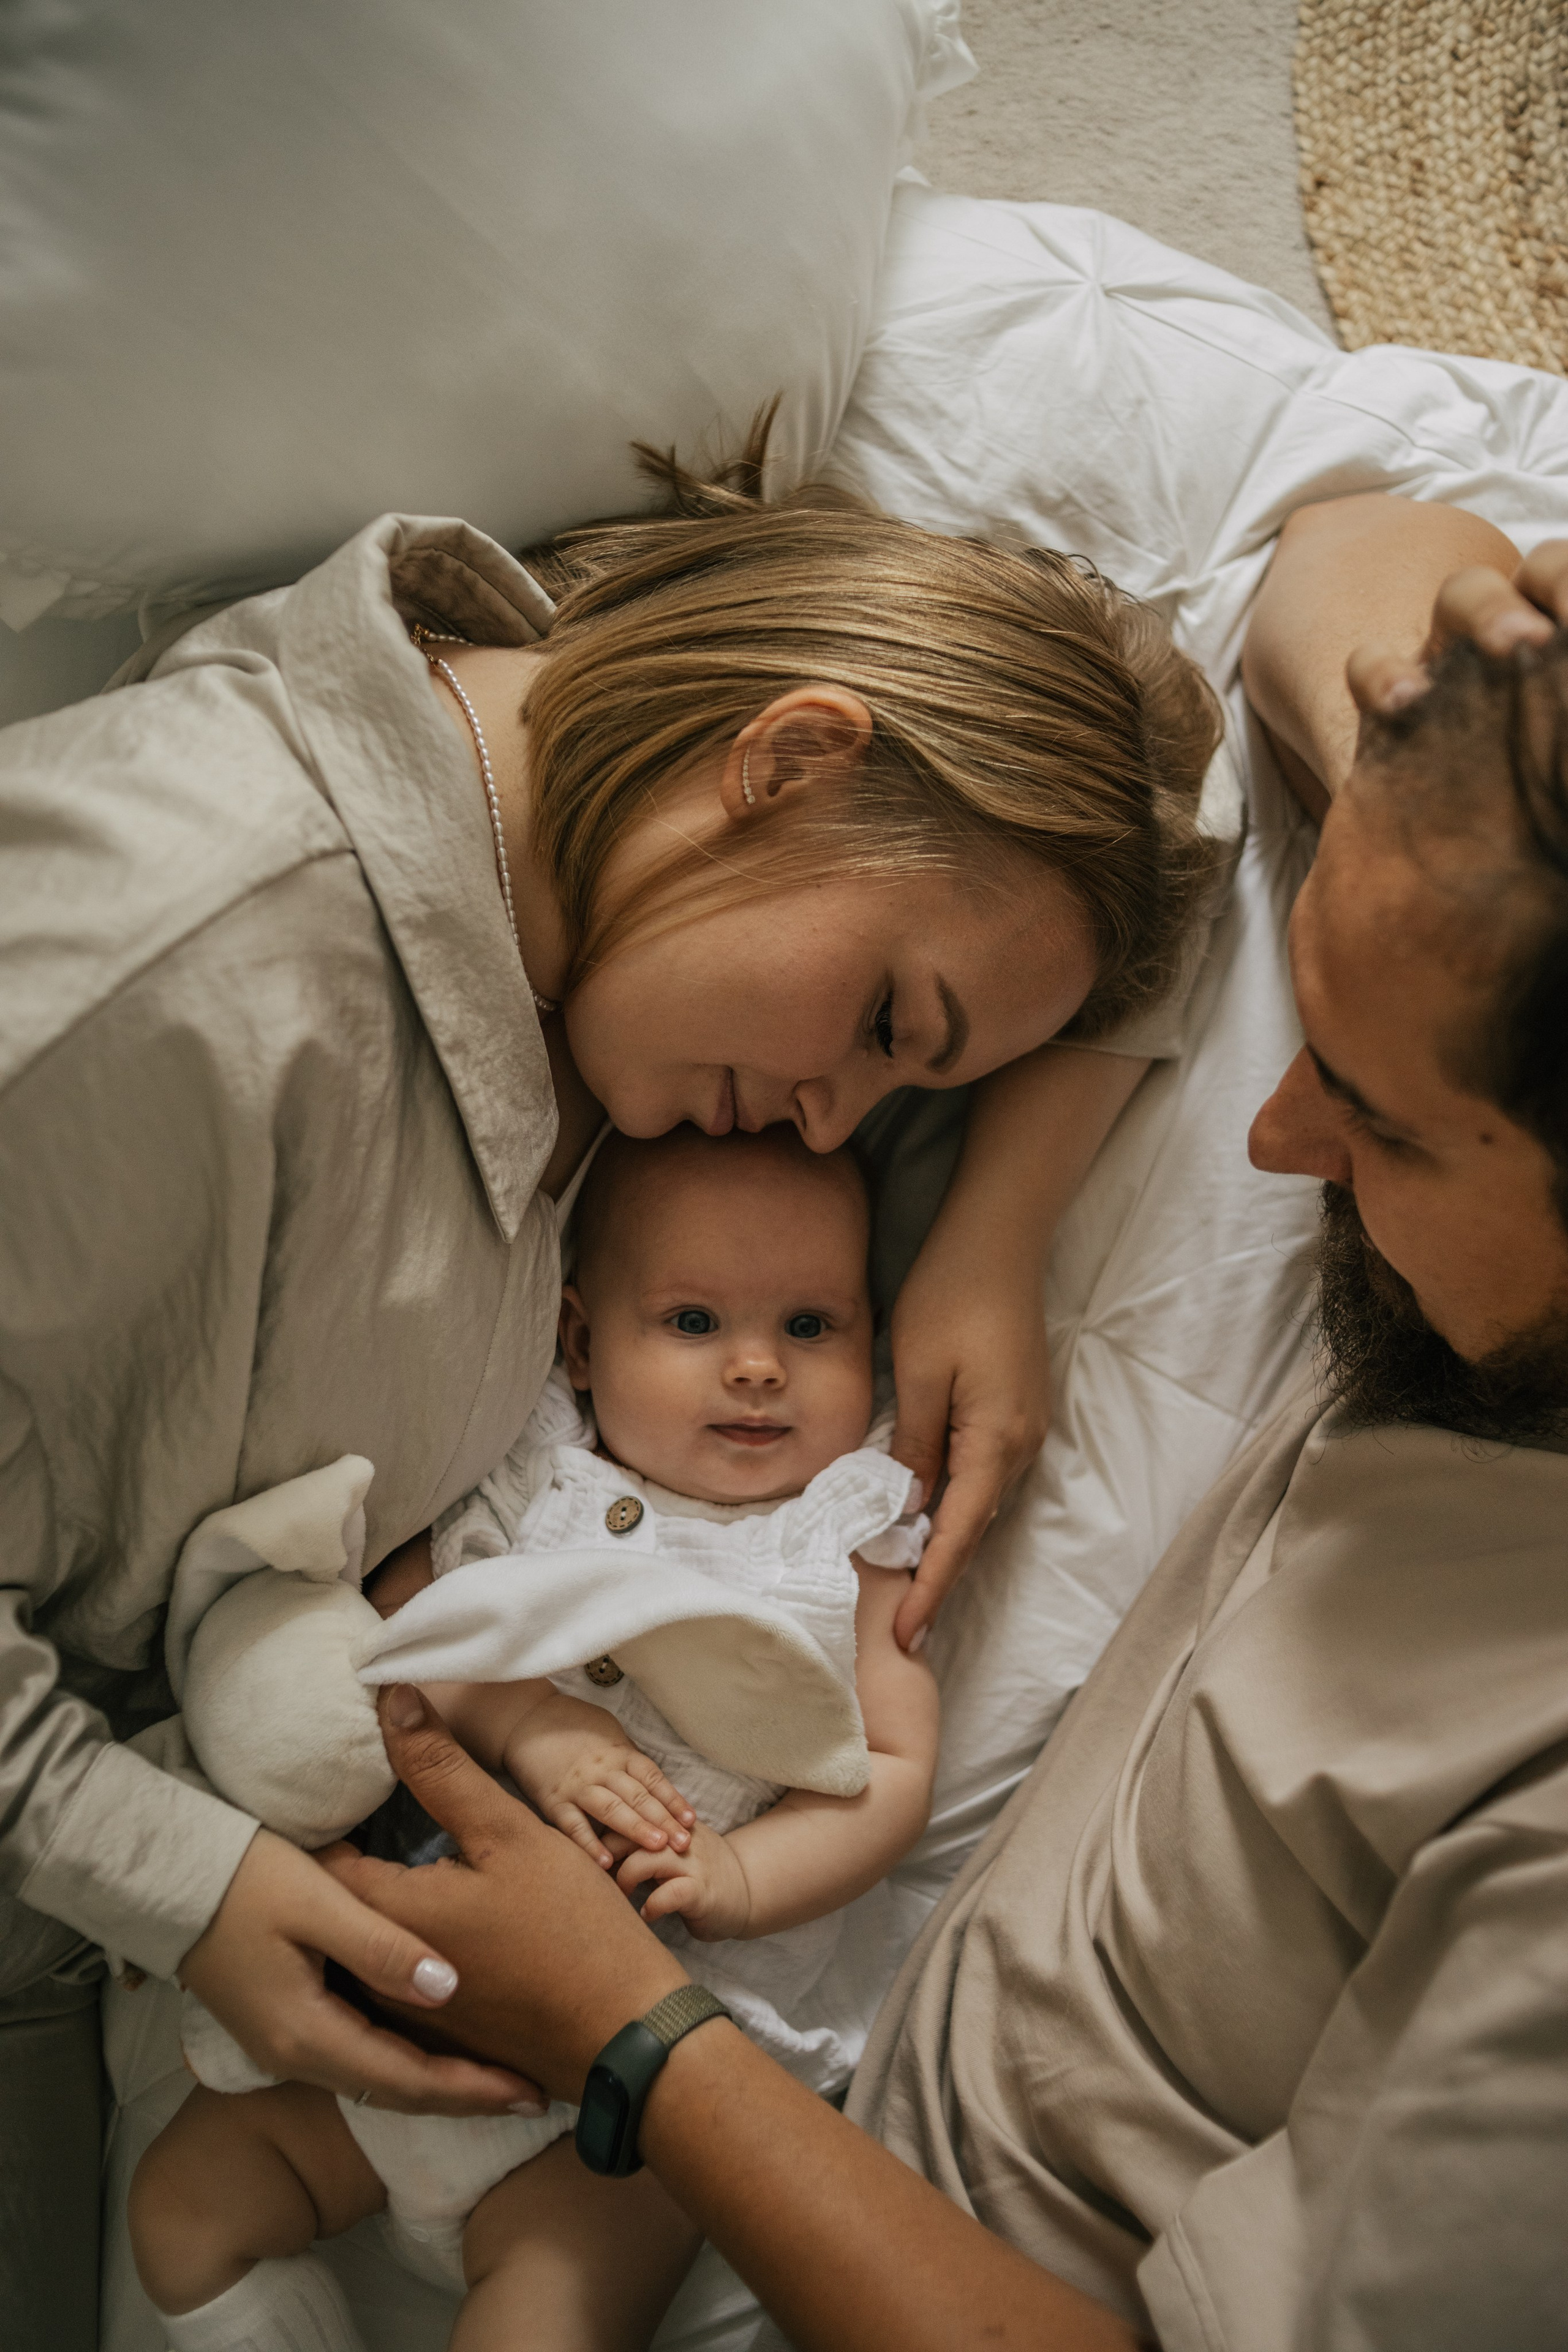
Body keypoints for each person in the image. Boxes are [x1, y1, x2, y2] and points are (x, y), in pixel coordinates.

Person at [318, 522, 1568, 2350]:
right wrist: (998, 1209)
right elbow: (1332, 558)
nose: (1271, 1138)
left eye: (1378, 1119)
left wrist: (635, 2037)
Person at [128, 1125, 940, 2351]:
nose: (759, 1368)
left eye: (811, 1326)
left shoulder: (849, 1531)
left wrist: (737, 1876)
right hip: (394, 2008)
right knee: (178, 2215)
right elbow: (393, 1634)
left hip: (623, 2105)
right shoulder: (530, 1474)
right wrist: (527, 1718)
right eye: (692, 1322)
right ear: (579, 1339)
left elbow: (891, 1772)